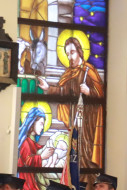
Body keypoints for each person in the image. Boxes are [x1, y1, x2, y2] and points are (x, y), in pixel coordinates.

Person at [36, 35, 105, 173]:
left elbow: (101, 94)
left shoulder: (89, 71)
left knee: (86, 152)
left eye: (72, 52)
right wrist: (48, 88)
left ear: (80, 51)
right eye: (67, 54)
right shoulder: (69, 73)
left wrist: (89, 91)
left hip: (89, 122)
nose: (70, 57)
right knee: (75, 149)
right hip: (74, 120)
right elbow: (64, 91)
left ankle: (87, 181)